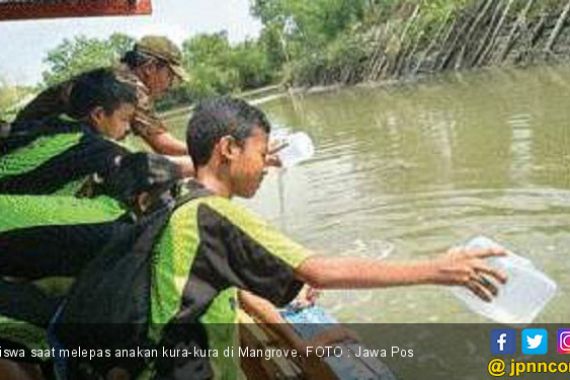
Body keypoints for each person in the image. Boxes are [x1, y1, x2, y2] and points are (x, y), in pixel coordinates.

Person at [55, 97, 507, 379]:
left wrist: (295, 343)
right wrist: (438, 270)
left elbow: (239, 293)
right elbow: (318, 270)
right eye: (260, 153)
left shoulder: (182, 204)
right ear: (228, 149)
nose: (266, 166)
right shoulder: (212, 213)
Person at [0, 68, 187, 200]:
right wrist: (206, 161)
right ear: (98, 115)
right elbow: (146, 166)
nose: (129, 128)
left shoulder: (55, 125)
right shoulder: (88, 144)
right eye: (124, 119)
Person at [14, 35, 189, 156]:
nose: (170, 84)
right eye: (170, 75)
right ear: (150, 68)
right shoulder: (130, 87)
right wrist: (207, 151)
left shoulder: (116, 75)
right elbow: (164, 145)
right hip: (30, 146)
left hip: (27, 139)